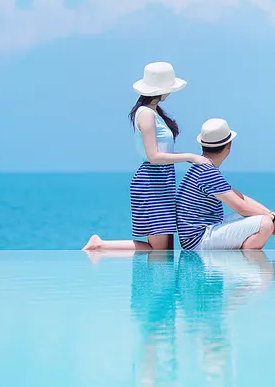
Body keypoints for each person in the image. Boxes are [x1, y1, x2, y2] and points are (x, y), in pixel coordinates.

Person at [84, 62, 210, 252]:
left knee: (165, 251)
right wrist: (190, 157)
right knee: (159, 250)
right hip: (152, 182)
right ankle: (101, 245)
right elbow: (153, 156)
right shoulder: (146, 114)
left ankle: (102, 245)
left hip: (162, 181)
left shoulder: (153, 112)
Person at [176, 118, 275, 251]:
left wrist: (270, 213)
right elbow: (241, 207)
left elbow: (240, 197)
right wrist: (272, 218)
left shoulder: (202, 168)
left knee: (262, 217)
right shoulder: (207, 172)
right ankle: (247, 266)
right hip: (198, 240)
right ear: (229, 146)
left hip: (200, 234)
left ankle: (244, 260)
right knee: (265, 224)